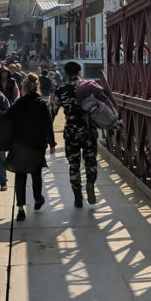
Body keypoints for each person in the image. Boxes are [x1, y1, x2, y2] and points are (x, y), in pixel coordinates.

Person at [5, 73, 56, 221]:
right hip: (37, 145)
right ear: (37, 85)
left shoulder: (19, 103)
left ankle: (20, 209)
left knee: (20, 176)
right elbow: (48, 125)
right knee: (36, 174)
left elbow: (7, 116)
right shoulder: (42, 103)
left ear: (24, 86)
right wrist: (52, 143)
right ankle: (38, 199)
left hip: (19, 144)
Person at [54, 61, 98, 207]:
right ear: (80, 72)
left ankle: (78, 196)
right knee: (90, 160)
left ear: (66, 73)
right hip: (88, 130)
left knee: (74, 164)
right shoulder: (89, 87)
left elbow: (51, 112)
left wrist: (47, 136)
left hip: (71, 131)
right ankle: (90, 182)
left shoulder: (61, 89)